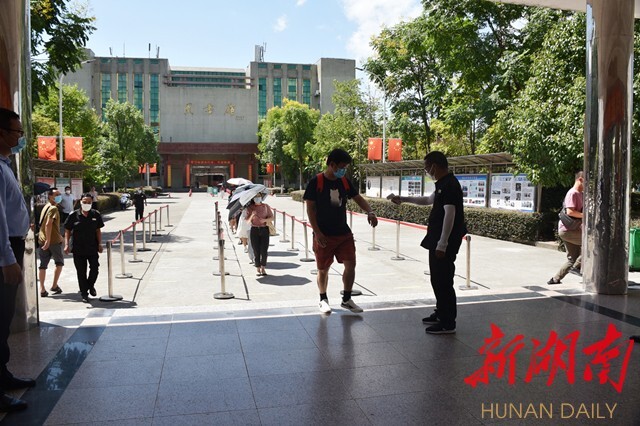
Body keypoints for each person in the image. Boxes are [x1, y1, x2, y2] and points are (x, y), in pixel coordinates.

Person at [391, 151, 466, 334]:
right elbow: (427, 200)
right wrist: (403, 199)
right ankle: (441, 312)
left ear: (434, 166)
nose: (426, 171)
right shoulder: (443, 184)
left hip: (444, 242)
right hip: (437, 239)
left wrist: (442, 244)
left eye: (426, 167)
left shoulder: (450, 185)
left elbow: (450, 214)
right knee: (437, 279)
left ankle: (448, 322)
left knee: (443, 280)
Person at [304, 148, 378, 314]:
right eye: (342, 167)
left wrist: (370, 211)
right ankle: (323, 299)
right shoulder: (316, 182)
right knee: (323, 269)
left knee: (351, 265)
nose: (344, 170)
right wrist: (317, 232)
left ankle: (347, 299)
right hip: (324, 234)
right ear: (332, 164)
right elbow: (310, 209)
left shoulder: (344, 181)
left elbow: (358, 198)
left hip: (343, 233)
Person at [0, 107, 36, 412]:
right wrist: (7, 258)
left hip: (11, 245)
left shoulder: (5, 164)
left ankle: (3, 374)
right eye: (18, 132)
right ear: (1, 133)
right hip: (5, 250)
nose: (21, 138)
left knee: (4, 318)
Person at [64, 193, 104, 303]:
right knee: (81, 272)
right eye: (84, 202)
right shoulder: (73, 215)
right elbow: (67, 230)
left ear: (92, 202)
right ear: (80, 202)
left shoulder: (95, 214)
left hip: (92, 247)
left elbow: (98, 230)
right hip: (78, 248)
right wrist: (66, 244)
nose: (87, 204)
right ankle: (84, 294)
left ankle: (90, 285)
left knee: (95, 269)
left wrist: (100, 244)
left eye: (89, 202)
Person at [548, 171, 584, 285]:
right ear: (580, 179)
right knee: (591, 246)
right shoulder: (572, 193)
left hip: (571, 230)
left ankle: (555, 279)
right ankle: (576, 268)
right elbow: (570, 212)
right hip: (568, 231)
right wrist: (586, 215)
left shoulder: (581, 194)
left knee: (572, 259)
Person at [37, 187, 64, 297]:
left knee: (43, 265)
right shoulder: (53, 208)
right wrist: (48, 240)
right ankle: (54, 285)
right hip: (53, 241)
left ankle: (42, 288)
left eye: (59, 194)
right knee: (59, 263)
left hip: (42, 239)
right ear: (50, 196)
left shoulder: (46, 206)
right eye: (56, 195)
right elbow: (49, 224)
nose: (59, 196)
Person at [246, 194, 273, 276]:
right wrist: (252, 216)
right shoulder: (250, 207)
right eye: (255, 197)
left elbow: (272, 217)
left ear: (261, 198)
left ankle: (263, 267)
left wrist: (264, 220)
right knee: (256, 250)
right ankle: (258, 266)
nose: (257, 198)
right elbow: (247, 221)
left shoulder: (266, 206)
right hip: (254, 229)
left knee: (264, 250)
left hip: (264, 229)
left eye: (259, 196)